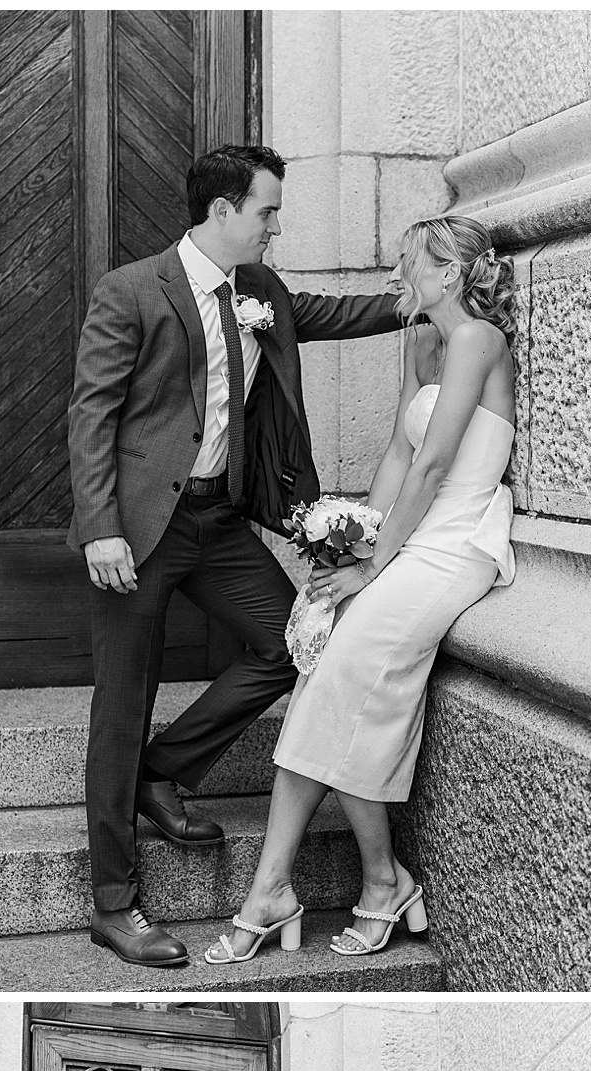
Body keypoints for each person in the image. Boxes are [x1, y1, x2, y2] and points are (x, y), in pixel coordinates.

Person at [67, 143, 403, 968]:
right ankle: (114, 904)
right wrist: (100, 524)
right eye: (267, 212)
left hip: (219, 523)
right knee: (120, 704)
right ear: (222, 211)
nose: (275, 227)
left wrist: (423, 301)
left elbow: (329, 314)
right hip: (141, 533)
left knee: (294, 640)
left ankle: (162, 772)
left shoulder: (261, 292)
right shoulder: (131, 290)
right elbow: (92, 414)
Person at [208, 216, 517, 966]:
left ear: (450, 275)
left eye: (409, 265)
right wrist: (350, 542)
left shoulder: (478, 341)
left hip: (455, 544)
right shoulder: (420, 340)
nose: (396, 278)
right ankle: (282, 887)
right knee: (324, 680)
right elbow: (396, 455)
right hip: (406, 537)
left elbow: (438, 465)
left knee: (338, 674)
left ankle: (374, 882)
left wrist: (372, 565)